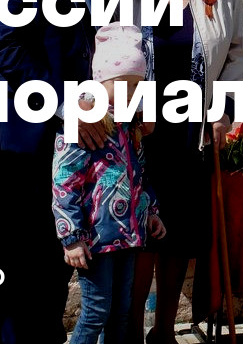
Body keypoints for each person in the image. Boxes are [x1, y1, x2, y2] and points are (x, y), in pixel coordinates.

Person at [110, 0, 243, 344]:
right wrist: (128, 108)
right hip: (139, 130)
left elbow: (238, 52)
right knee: (140, 233)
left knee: (178, 234)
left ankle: (165, 331)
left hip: (193, 130)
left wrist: (224, 109)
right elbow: (106, 55)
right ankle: (131, 330)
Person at [0, 0, 109, 344]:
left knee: (62, 249)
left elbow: (104, 51)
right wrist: (67, 107)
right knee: (19, 254)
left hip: (83, 136)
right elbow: (7, 48)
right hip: (28, 136)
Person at [54, 22, 167, 344]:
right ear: (101, 81)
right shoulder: (84, 125)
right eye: (125, 85)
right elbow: (64, 184)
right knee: (96, 311)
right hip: (95, 241)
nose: (133, 93)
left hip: (128, 237)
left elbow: (138, 176)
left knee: (121, 310)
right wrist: (71, 237)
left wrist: (150, 212)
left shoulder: (130, 129)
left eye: (138, 85)